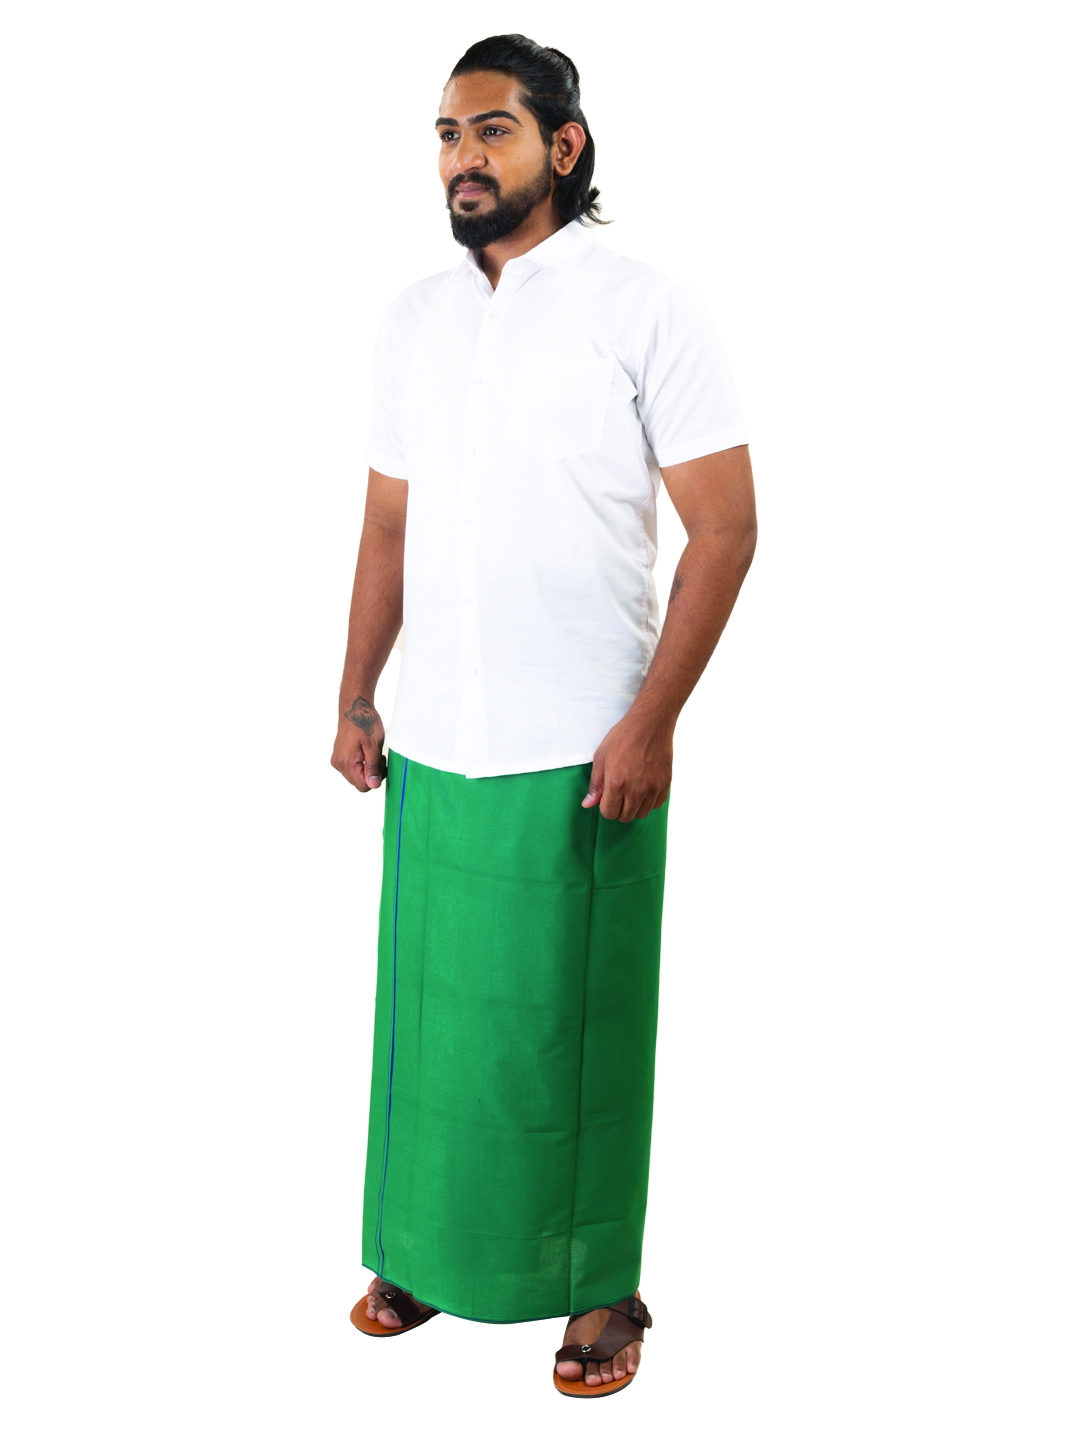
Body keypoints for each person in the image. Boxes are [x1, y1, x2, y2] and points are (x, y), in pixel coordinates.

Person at [331, 33, 756, 1397]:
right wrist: (356, 691)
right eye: (448, 135)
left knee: (574, 1029)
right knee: (438, 1022)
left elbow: (726, 530)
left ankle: (599, 1290)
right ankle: (425, 1254)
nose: (464, 158)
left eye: (493, 131)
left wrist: (653, 724)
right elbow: (387, 525)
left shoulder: (644, 309)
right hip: (437, 740)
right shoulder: (414, 319)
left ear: (563, 148)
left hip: (584, 745)